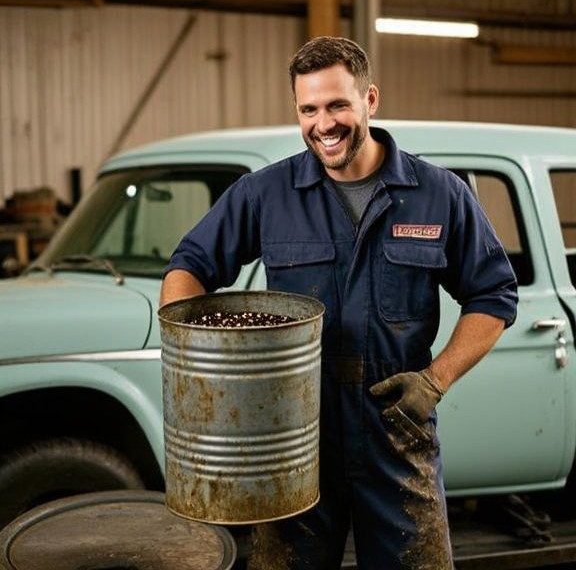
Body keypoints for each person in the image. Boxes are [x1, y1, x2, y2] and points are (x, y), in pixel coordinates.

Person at [160, 36, 518, 570]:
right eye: (308, 109)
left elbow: (494, 295)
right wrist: (201, 369)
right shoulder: (266, 194)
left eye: (337, 105)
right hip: (292, 438)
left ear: (370, 100)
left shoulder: (437, 194)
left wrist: (434, 380)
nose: (322, 123)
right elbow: (188, 266)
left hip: (394, 432)